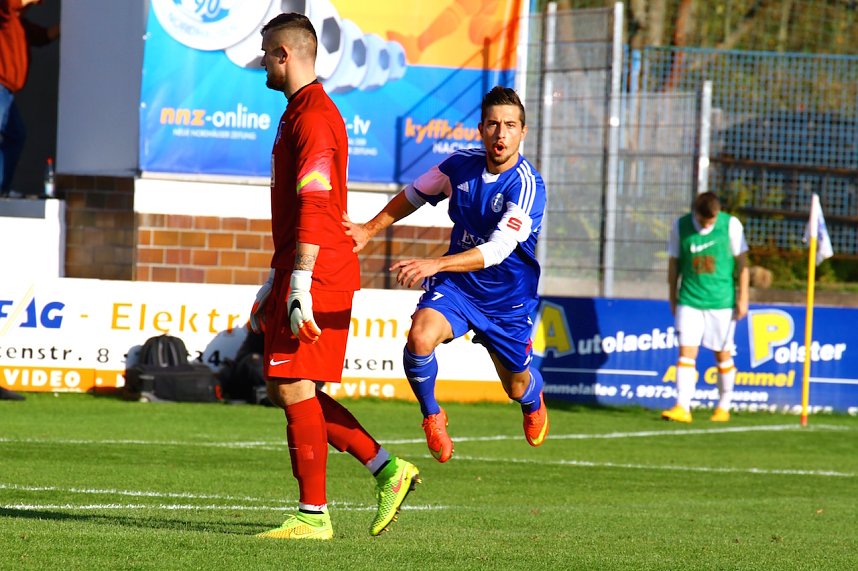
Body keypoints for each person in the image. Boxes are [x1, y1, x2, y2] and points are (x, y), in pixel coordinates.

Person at [249, 13, 420, 541]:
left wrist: (298, 281)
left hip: (319, 272)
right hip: (300, 268)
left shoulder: (315, 116)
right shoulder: (295, 112)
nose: (261, 64)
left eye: (266, 54)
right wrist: (276, 278)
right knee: (286, 386)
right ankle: (387, 469)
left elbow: (317, 205)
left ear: (285, 54)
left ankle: (313, 515)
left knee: (293, 385)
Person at [343, 86, 549, 464]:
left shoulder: (528, 186)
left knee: (516, 386)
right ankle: (432, 415)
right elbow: (414, 193)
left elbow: (498, 250)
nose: (500, 134)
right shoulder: (458, 166)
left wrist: (435, 263)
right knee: (420, 337)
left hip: (506, 299)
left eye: (509, 125)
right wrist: (369, 229)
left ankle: (532, 397)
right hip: (458, 287)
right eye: (492, 124)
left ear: (523, 132)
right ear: (480, 129)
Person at [662, 191, 749, 423]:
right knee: (686, 352)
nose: (707, 224)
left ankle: (723, 406)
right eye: (703, 220)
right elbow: (673, 263)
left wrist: (743, 298)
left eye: (711, 220)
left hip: (721, 302)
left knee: (723, 354)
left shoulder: (731, 226)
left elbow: (742, 264)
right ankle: (682, 407)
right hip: (689, 299)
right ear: (695, 214)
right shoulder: (680, 227)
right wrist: (672, 296)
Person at [0, 0, 58, 196]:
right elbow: (8, 4)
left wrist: (71, 24)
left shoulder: (19, 24)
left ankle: (2, 187)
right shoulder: (5, 17)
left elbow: (43, 36)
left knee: (15, 135)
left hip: (7, 92)